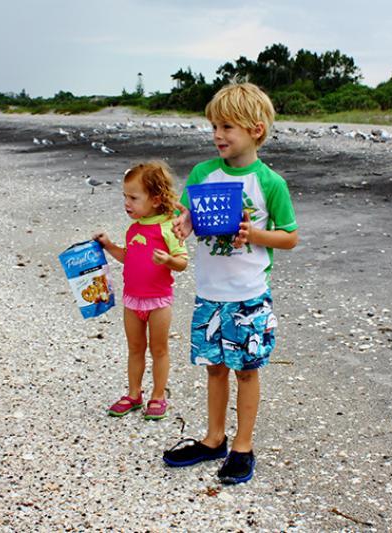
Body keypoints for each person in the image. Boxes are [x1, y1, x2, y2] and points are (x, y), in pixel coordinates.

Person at [162, 82, 298, 484]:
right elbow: (189, 212)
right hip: (209, 293)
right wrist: (184, 221)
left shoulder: (270, 183)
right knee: (215, 369)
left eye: (227, 127)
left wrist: (253, 235)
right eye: (214, 127)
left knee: (247, 371)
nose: (218, 135)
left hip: (248, 296)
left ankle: (242, 446)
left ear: (256, 129)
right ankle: (213, 439)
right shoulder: (204, 173)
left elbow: (289, 236)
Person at [94, 161, 188, 421]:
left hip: (158, 301)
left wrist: (168, 261)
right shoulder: (134, 228)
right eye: (125, 196)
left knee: (159, 350)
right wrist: (108, 245)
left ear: (156, 199)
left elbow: (182, 262)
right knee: (135, 349)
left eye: (133, 198)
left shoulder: (169, 227)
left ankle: (158, 396)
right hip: (132, 300)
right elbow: (129, 257)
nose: (127, 203)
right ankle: (134, 394)